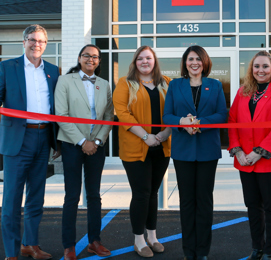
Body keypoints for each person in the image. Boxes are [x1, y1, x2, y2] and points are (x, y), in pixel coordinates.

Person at [0, 24, 60, 260]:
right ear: (24, 41)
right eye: (32, 40)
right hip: (18, 139)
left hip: (43, 137)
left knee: (36, 197)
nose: (36, 44)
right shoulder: (8, 66)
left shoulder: (53, 70)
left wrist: (57, 141)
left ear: (45, 45)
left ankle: (31, 244)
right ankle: (11, 253)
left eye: (41, 41)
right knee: (12, 200)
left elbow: (57, 106)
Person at [163, 45, 227, 260]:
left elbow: (221, 115)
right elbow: (167, 116)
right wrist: (182, 122)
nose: (194, 63)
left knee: (204, 202)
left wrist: (199, 122)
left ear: (205, 62)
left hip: (208, 151)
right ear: (185, 62)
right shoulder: (175, 85)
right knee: (187, 202)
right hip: (183, 152)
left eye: (198, 59)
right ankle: (188, 251)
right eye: (191, 59)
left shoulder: (215, 85)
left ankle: (203, 251)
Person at [228, 51, 271, 260]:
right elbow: (232, 121)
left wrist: (259, 152)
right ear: (251, 69)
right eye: (257, 66)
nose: (260, 70)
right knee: (253, 206)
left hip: (270, 159)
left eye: (265, 66)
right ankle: (257, 248)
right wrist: (237, 150)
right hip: (245, 159)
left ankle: (270, 251)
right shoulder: (243, 91)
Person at [54, 44, 113, 260]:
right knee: (72, 196)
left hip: (96, 145)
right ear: (79, 58)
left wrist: (96, 140)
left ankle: (94, 241)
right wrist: (82, 142)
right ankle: (68, 245)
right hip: (72, 144)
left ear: (99, 61)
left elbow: (108, 115)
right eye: (87, 55)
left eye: (95, 57)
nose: (91, 59)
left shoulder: (104, 84)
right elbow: (61, 115)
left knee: (94, 195)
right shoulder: (65, 81)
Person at [113, 46, 172, 258]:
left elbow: (174, 111)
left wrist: (164, 134)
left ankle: (152, 236)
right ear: (135, 62)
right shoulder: (125, 83)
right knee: (141, 193)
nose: (144, 62)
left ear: (154, 61)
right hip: (136, 146)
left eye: (148, 58)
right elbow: (123, 113)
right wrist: (146, 136)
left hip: (162, 144)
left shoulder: (166, 82)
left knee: (153, 193)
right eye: (140, 58)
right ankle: (138, 239)